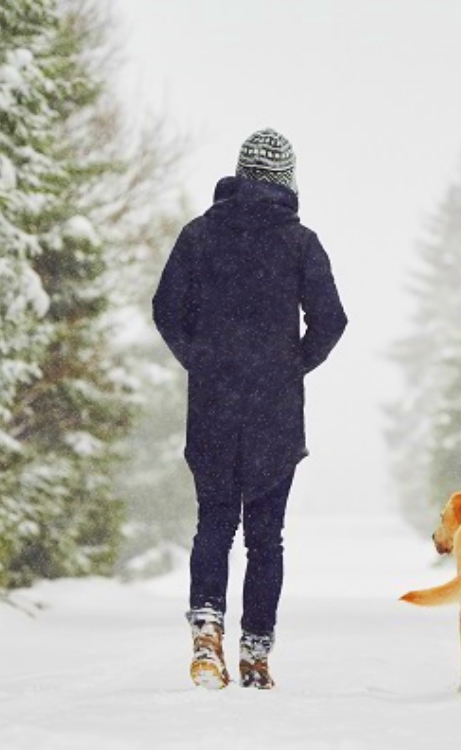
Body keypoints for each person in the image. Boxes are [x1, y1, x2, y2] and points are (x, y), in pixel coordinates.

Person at [152, 128, 347, 690]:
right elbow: (331, 320)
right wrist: (290, 367)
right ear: (286, 182)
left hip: (212, 405)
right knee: (266, 536)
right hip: (275, 412)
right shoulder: (301, 243)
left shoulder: (199, 235)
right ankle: (256, 655)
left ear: (238, 174)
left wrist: (201, 360)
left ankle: (206, 636)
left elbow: (167, 308)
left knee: (213, 521)